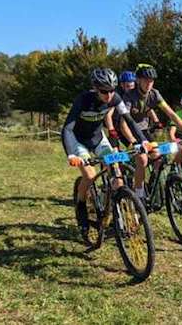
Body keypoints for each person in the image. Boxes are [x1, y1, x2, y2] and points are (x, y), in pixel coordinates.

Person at [63, 68, 152, 243]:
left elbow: (129, 120)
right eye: (104, 91)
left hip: (98, 139)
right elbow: (67, 128)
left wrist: (142, 141)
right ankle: (81, 204)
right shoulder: (83, 100)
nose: (109, 95)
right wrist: (72, 154)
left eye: (112, 90)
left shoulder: (115, 99)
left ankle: (115, 210)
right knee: (89, 175)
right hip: (78, 140)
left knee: (116, 174)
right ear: (95, 88)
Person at [109, 64, 182, 187]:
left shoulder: (154, 94)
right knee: (142, 159)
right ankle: (139, 192)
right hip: (128, 132)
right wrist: (132, 141)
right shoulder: (129, 96)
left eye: (151, 81)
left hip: (143, 130)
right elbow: (123, 123)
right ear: (138, 80)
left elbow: (171, 113)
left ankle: (153, 185)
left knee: (157, 156)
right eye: (145, 80)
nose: (149, 84)